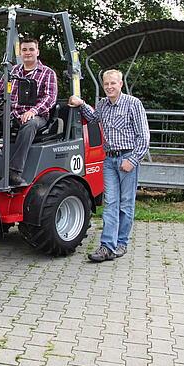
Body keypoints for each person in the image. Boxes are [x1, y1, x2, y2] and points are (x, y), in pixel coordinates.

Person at [68, 69, 149, 262]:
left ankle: (121, 243)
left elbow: (144, 137)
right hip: (109, 160)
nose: (109, 87)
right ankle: (107, 246)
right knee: (111, 203)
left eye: (113, 83)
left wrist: (133, 160)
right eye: (106, 84)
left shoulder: (133, 104)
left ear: (121, 84)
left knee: (126, 204)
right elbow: (95, 119)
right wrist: (81, 104)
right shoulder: (103, 105)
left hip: (127, 158)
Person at [0, 37, 58, 186]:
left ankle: (14, 171)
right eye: (24, 50)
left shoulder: (47, 73)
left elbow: (50, 98)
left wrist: (33, 111)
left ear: (37, 51)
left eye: (31, 49)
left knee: (29, 124)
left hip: (37, 116)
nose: (28, 53)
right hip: (13, 113)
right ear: (20, 52)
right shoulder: (13, 71)